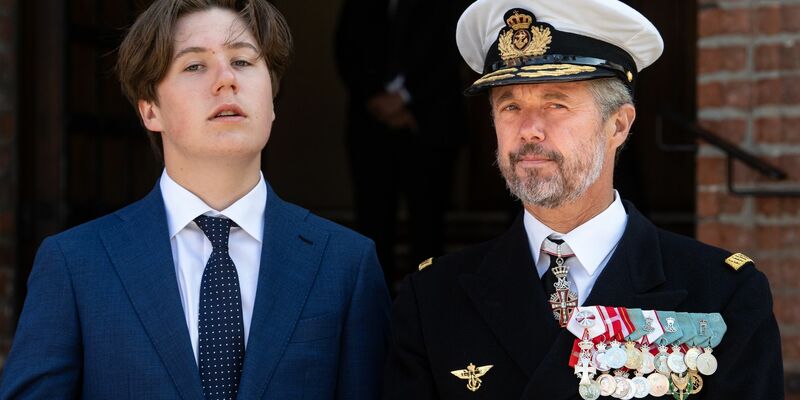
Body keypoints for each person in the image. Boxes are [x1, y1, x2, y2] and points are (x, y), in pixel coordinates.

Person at [383, 0, 784, 399]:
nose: (529, 130)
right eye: (510, 106)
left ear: (619, 125)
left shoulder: (721, 293)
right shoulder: (432, 297)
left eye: (556, 103)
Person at [0, 1, 390, 399]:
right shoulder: (75, 263)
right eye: (194, 66)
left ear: (272, 101)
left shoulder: (345, 263)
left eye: (242, 61)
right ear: (150, 110)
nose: (226, 80)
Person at [334, 0, 469, 289]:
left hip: (428, 126)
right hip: (371, 127)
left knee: (428, 223)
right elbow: (346, 51)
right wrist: (376, 100)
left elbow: (452, 52)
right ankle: (374, 306)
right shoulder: (360, 6)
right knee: (373, 221)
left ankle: (427, 304)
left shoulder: (446, 5)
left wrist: (407, 100)